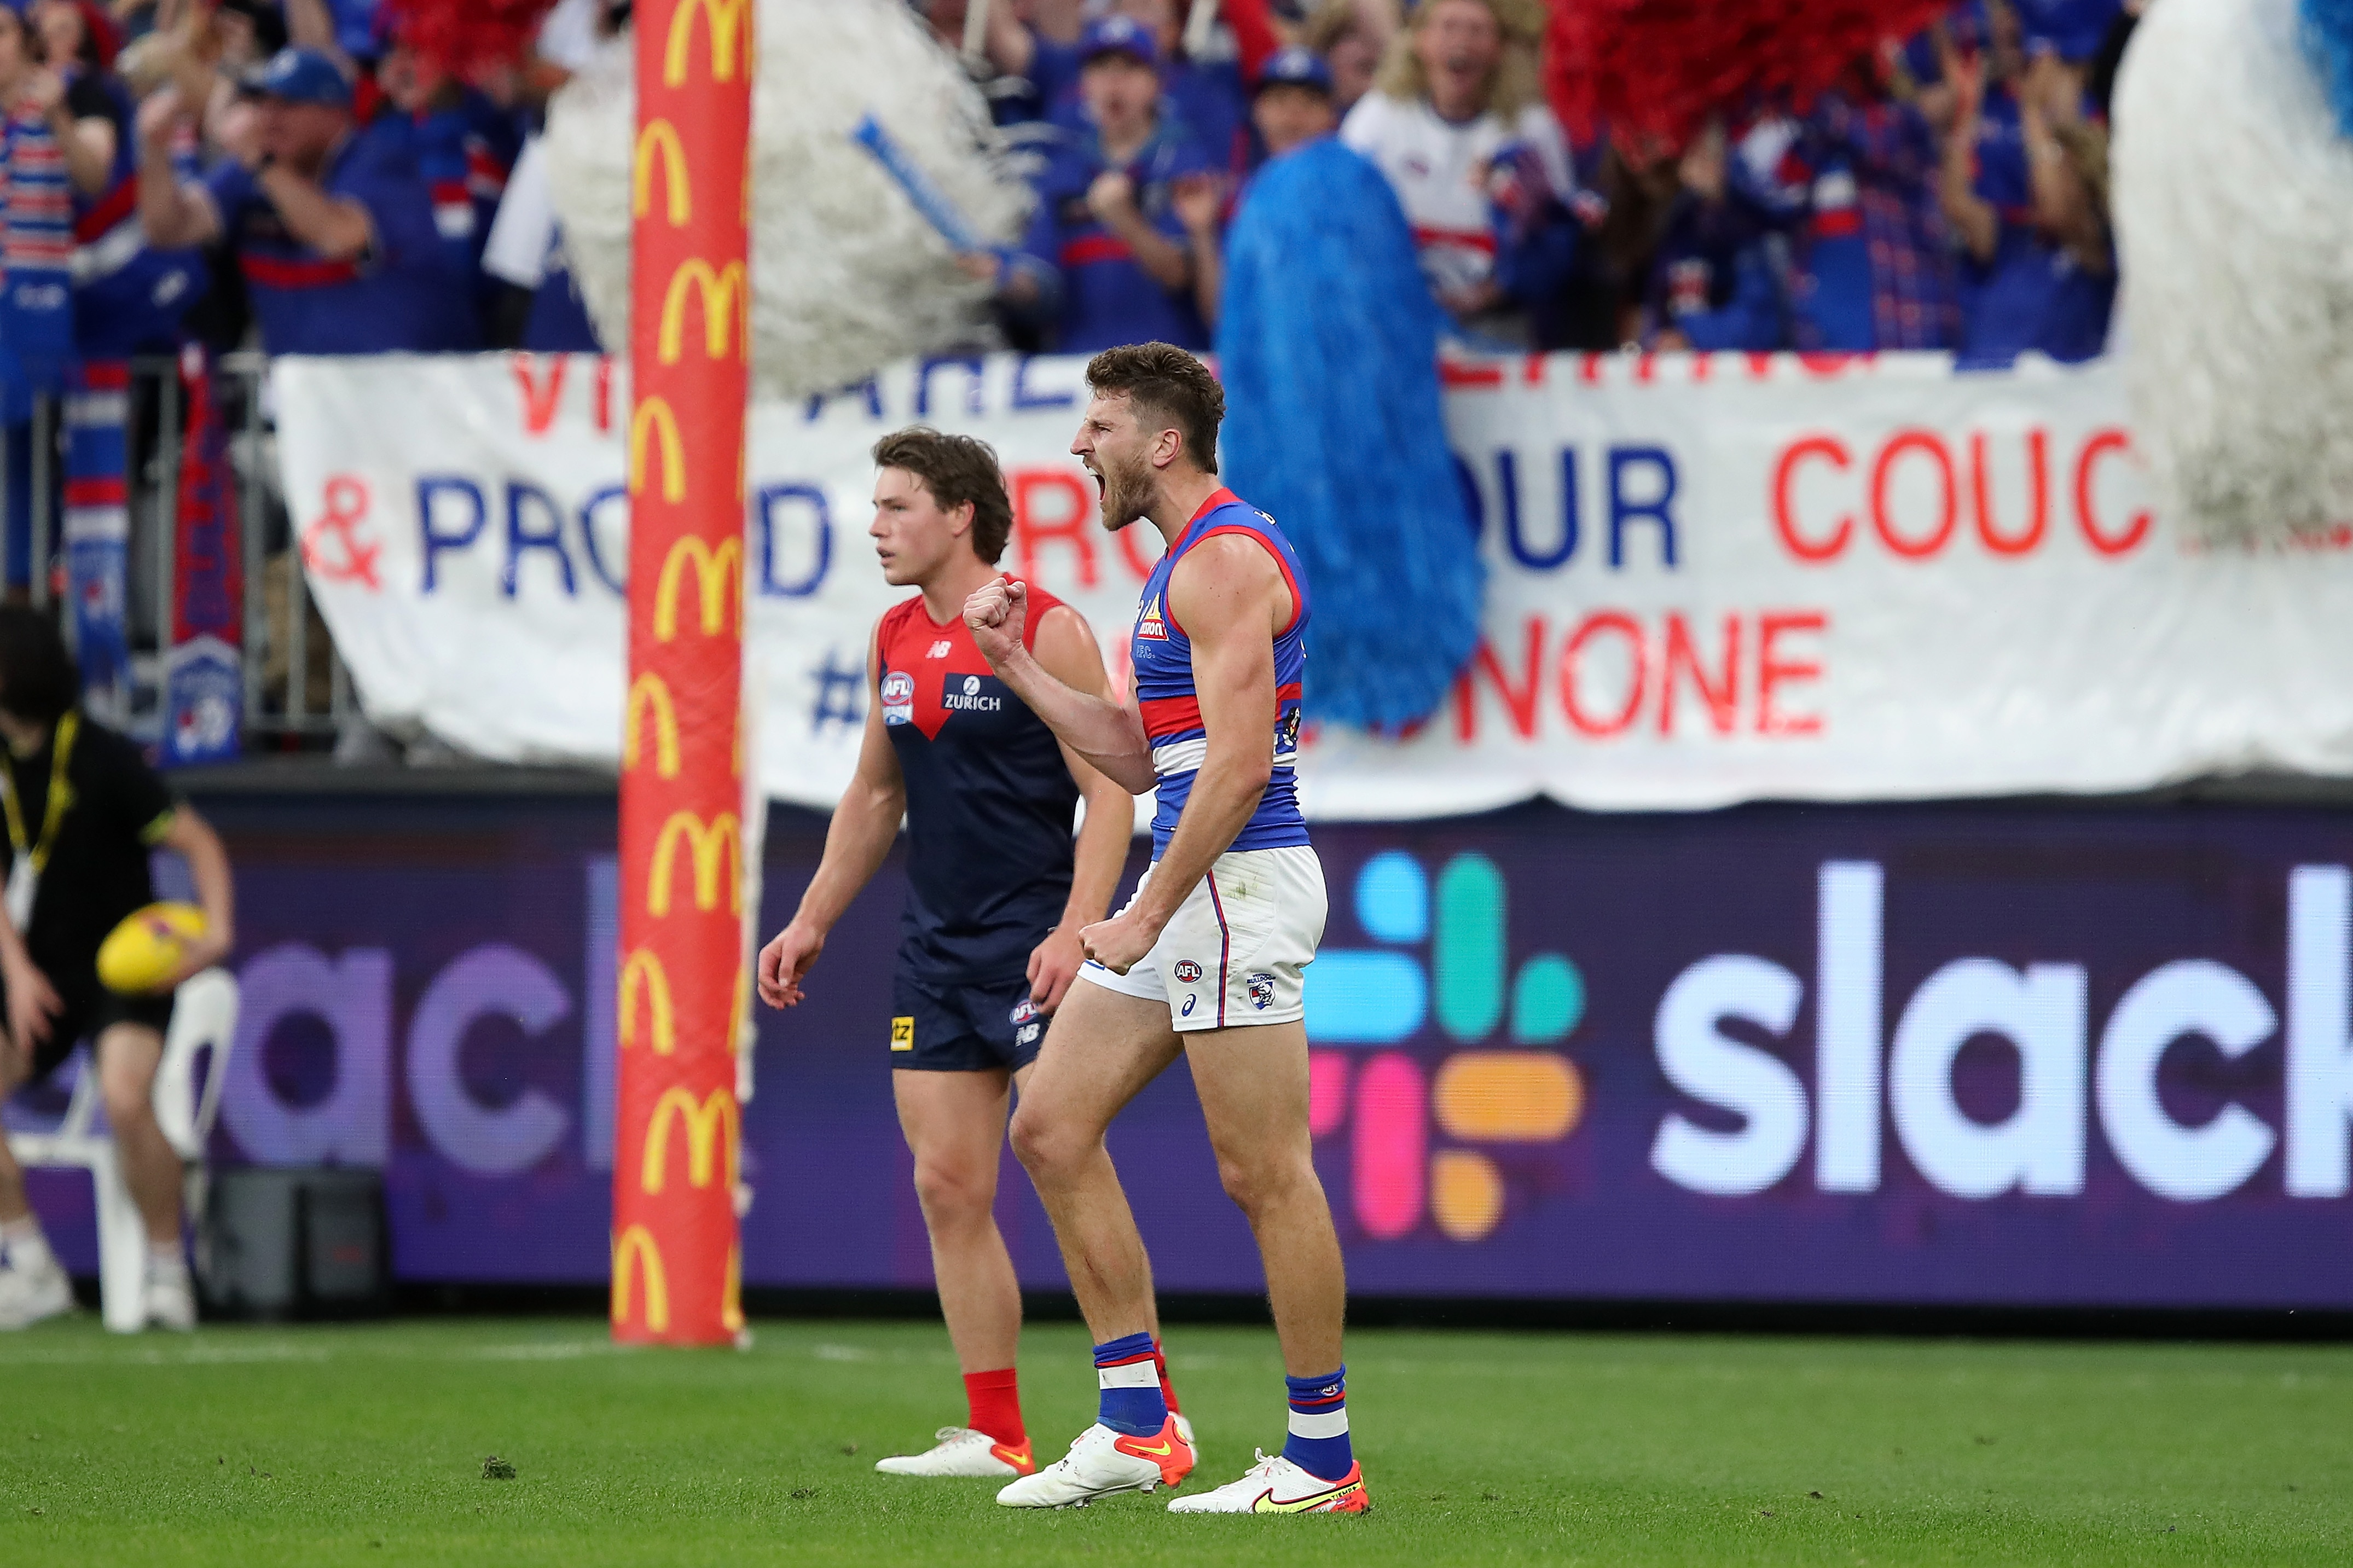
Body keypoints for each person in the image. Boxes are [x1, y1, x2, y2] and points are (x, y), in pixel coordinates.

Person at [963, 344, 1364, 1515]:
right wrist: (1014, 665)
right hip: (1195, 880)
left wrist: (1138, 907)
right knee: (1048, 1122)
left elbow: (1237, 769)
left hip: (1230, 883)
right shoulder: (1178, 568)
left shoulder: (1225, 557)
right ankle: (1138, 1425)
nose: (1079, 446)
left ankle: (1321, 1459)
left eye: (1097, 426)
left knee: (1261, 1172)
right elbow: (1147, 753)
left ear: (1162, 441)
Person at [755, 429, 1176, 1482]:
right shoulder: (894, 634)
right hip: (933, 951)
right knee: (948, 1186)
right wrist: (810, 920)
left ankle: (1145, 1415)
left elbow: (1112, 791)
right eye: (876, 506)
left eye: (897, 507)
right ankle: (999, 1434)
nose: (875, 526)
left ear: (959, 515)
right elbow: (876, 793)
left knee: (1066, 1160)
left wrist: (1079, 929)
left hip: (1035, 946)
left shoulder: (1046, 626)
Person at [0, 608, 236, 1330]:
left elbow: (197, 841)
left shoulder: (103, 759)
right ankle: (31, 1263)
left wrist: (217, 933)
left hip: (123, 973)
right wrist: (15, 971)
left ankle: (169, 1270)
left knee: (126, 1098)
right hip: (42, 974)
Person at [134, 44, 478, 355]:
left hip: (401, 395)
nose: (269, 119)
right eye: (262, 105)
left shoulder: (381, 164)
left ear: (335, 114)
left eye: (288, 105)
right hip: (306, 400)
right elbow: (168, 229)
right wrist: (155, 148)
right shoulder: (253, 173)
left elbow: (336, 235)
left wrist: (261, 164)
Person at [1339, 0, 1585, 344]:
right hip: (1396, 313)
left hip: (1500, 318)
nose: (1463, 41)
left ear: (1499, 50)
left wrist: (1501, 287)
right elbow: (1342, 218)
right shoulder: (1378, 116)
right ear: (1420, 42)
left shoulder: (1532, 127)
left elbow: (1561, 232)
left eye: (1477, 30)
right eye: (1449, 26)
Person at [989, 16, 1224, 352]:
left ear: (1155, 83)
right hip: (1082, 374)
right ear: (1084, 84)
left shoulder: (1185, 162)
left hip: (1167, 371)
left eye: (1130, 68)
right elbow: (1043, 285)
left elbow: (1180, 275)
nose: (1114, 82)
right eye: (1100, 68)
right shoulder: (1065, 169)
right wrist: (1000, 274)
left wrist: (1123, 218)